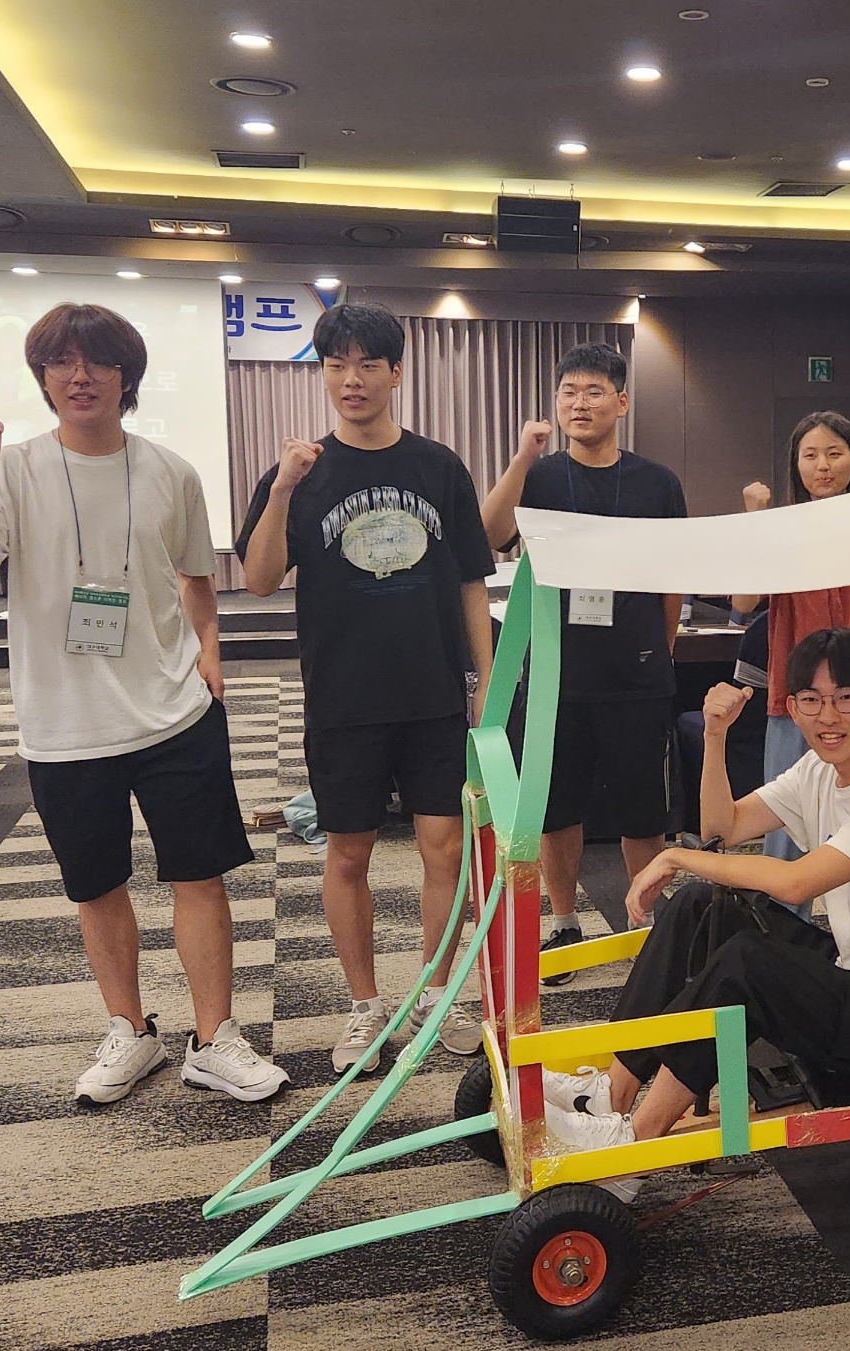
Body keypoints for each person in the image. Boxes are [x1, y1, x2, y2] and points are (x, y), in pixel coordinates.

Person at [0, 302, 288, 1106]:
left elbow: (197, 576)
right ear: (42, 376)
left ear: (125, 375)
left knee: (200, 875)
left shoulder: (171, 470)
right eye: (61, 361)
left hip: (174, 710)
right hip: (64, 724)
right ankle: (130, 1030)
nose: (80, 375)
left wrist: (209, 647)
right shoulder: (12, 471)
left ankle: (214, 1038)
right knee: (96, 885)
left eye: (97, 360)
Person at [539, 628, 850, 1183]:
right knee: (703, 906)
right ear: (792, 708)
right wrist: (715, 737)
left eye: (846, 698)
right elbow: (721, 827)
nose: (828, 716)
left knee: (747, 963)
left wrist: (675, 856)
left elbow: (796, 883)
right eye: (812, 700)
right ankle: (613, 1091)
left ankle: (637, 1145)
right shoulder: (820, 770)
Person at [238, 303, 494, 1072]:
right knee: (346, 852)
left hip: (433, 694)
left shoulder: (438, 466)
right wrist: (281, 491)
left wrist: (482, 682)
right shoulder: (299, 473)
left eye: (367, 365)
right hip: (343, 697)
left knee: (445, 850)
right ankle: (363, 1005)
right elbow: (258, 579)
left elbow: (471, 582)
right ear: (323, 374)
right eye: (336, 365)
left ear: (395, 373)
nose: (351, 379)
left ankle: (437, 993)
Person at [480, 342, 687, 984]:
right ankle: (564, 920)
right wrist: (522, 456)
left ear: (621, 402)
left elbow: (672, 578)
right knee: (555, 809)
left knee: (642, 812)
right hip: (554, 678)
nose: (579, 403)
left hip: (636, 674)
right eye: (569, 392)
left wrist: (661, 648)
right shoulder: (539, 477)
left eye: (594, 391)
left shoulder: (657, 482)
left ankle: (643, 924)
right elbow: (488, 535)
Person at [730, 412, 850, 895]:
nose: (823, 466)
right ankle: (783, 931)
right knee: (785, 822)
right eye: (811, 455)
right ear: (795, 465)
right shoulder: (781, 527)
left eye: (835, 453)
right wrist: (756, 522)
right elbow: (743, 602)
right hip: (796, 697)